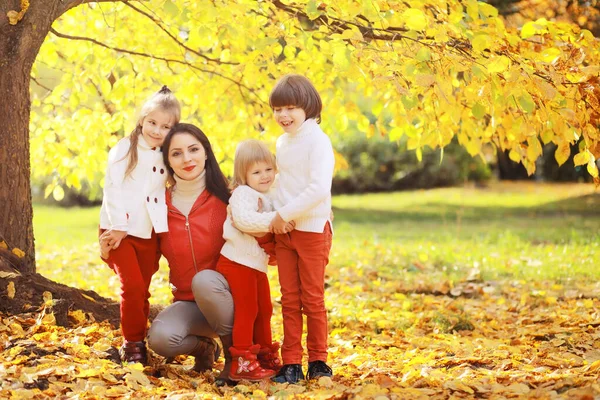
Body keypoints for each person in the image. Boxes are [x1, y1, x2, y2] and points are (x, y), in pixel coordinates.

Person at [144, 123, 235, 386]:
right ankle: (204, 348)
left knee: (205, 280)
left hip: (231, 299)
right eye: (177, 153)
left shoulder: (230, 197)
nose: (187, 159)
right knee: (161, 339)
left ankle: (234, 356)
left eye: (194, 149)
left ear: (206, 152)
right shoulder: (159, 204)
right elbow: (142, 251)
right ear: (167, 161)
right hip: (190, 304)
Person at [99, 86, 180, 364]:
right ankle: (132, 344)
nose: (157, 131)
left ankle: (138, 335)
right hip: (119, 229)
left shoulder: (168, 155)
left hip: (149, 233)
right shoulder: (125, 147)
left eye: (165, 126)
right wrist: (119, 226)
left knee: (141, 289)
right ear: (142, 120)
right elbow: (112, 188)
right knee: (132, 286)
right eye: (152, 123)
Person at [267, 74, 335, 383]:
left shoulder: (317, 140)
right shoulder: (282, 142)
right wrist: (274, 213)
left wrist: (286, 213)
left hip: (311, 229)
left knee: (313, 299)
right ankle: (291, 362)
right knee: (289, 299)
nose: (283, 115)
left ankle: (318, 360)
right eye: (278, 109)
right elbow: (283, 185)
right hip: (285, 231)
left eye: (291, 107)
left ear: (307, 106)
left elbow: (318, 188)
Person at [215, 139, 291, 381]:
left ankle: (263, 352)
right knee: (247, 310)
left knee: (264, 310)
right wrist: (276, 221)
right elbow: (245, 221)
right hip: (237, 262)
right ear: (243, 175)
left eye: (269, 169)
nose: (265, 176)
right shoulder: (243, 194)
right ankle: (243, 361)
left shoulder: (268, 194)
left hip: (254, 264)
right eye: (256, 172)